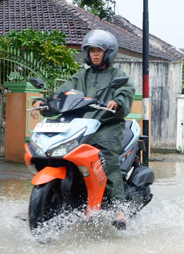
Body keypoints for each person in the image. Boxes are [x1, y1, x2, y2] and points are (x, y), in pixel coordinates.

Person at [35, 29, 135, 229]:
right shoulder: (81, 75)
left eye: (99, 50)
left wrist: (117, 102)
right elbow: (62, 92)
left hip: (107, 125)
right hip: (80, 124)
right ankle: (41, 201)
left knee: (106, 158)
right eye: (91, 51)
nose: (95, 54)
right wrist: (45, 102)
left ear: (108, 53)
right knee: (51, 153)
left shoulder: (118, 75)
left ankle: (118, 207)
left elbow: (125, 92)